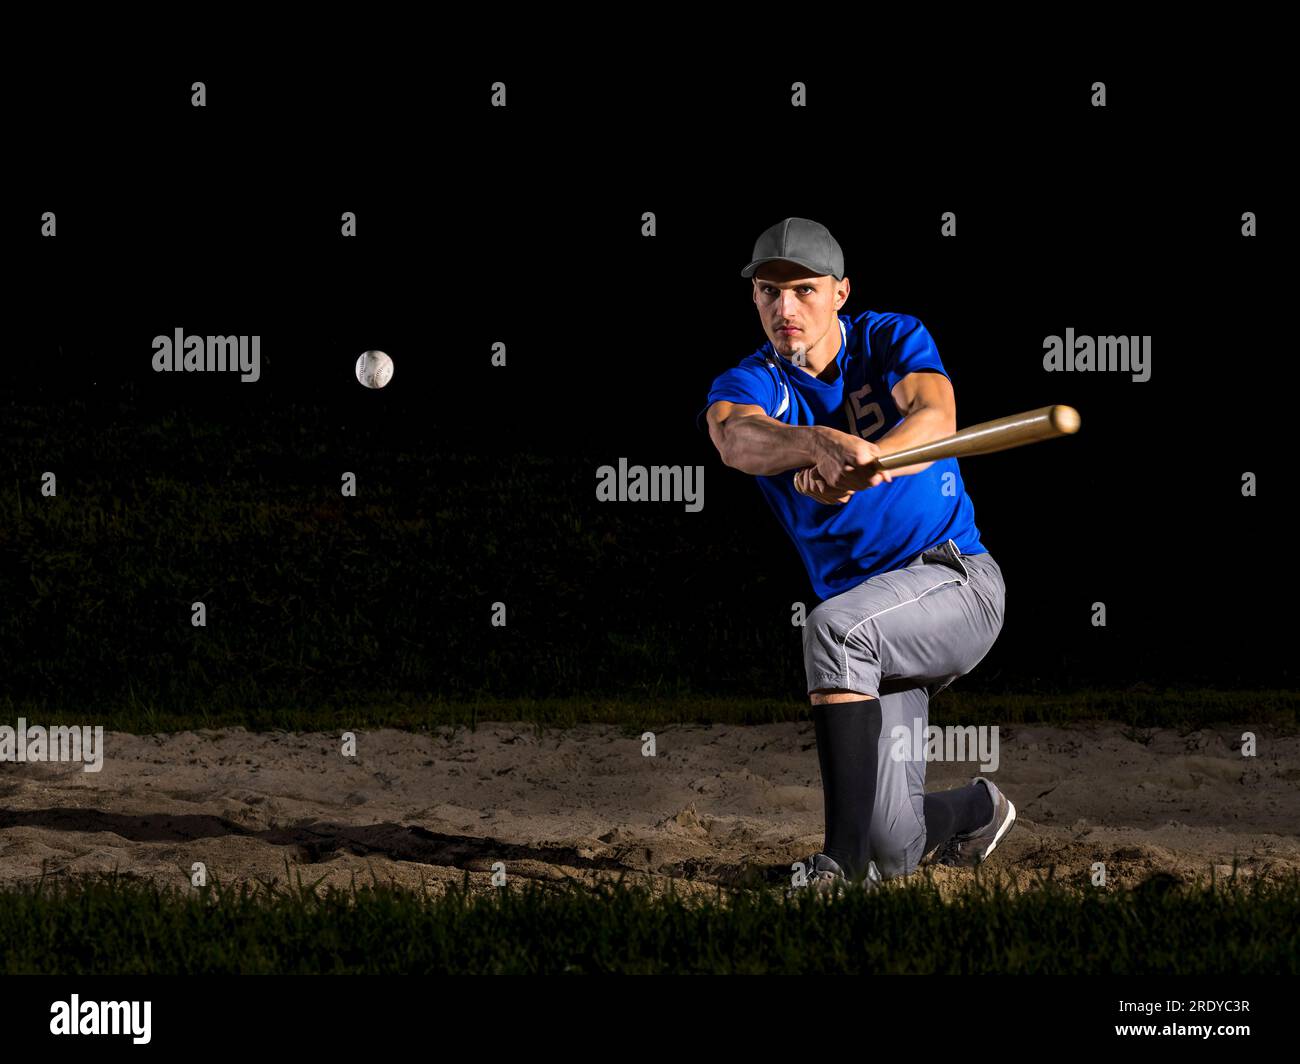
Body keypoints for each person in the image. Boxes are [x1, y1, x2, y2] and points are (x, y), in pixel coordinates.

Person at [699, 217, 1016, 890]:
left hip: (954, 581)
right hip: (875, 624)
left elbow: (937, 416)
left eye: (804, 290)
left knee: (834, 630)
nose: (784, 309)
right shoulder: (749, 382)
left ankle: (835, 869)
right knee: (894, 848)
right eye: (766, 292)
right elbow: (737, 441)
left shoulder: (888, 336)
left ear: (841, 293)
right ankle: (976, 809)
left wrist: (873, 458)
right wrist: (817, 443)